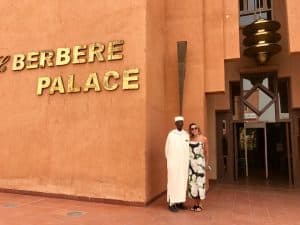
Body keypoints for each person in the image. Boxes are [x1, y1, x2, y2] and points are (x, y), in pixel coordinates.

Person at [165, 116, 190, 212]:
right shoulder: (171, 135)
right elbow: (167, 149)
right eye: (178, 122)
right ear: (175, 124)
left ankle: (180, 202)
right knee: (173, 182)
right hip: (174, 164)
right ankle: (172, 203)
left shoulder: (186, 135)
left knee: (183, 183)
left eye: (181, 122)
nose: (180, 124)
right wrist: (170, 162)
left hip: (183, 164)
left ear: (183, 123)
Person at [188, 123, 208, 212]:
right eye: (192, 129)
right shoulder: (189, 139)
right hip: (191, 165)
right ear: (190, 130)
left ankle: (200, 204)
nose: (194, 130)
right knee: (193, 184)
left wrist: (207, 163)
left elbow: (206, 152)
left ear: (198, 129)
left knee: (200, 183)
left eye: (195, 128)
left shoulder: (204, 139)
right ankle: (195, 204)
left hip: (200, 164)